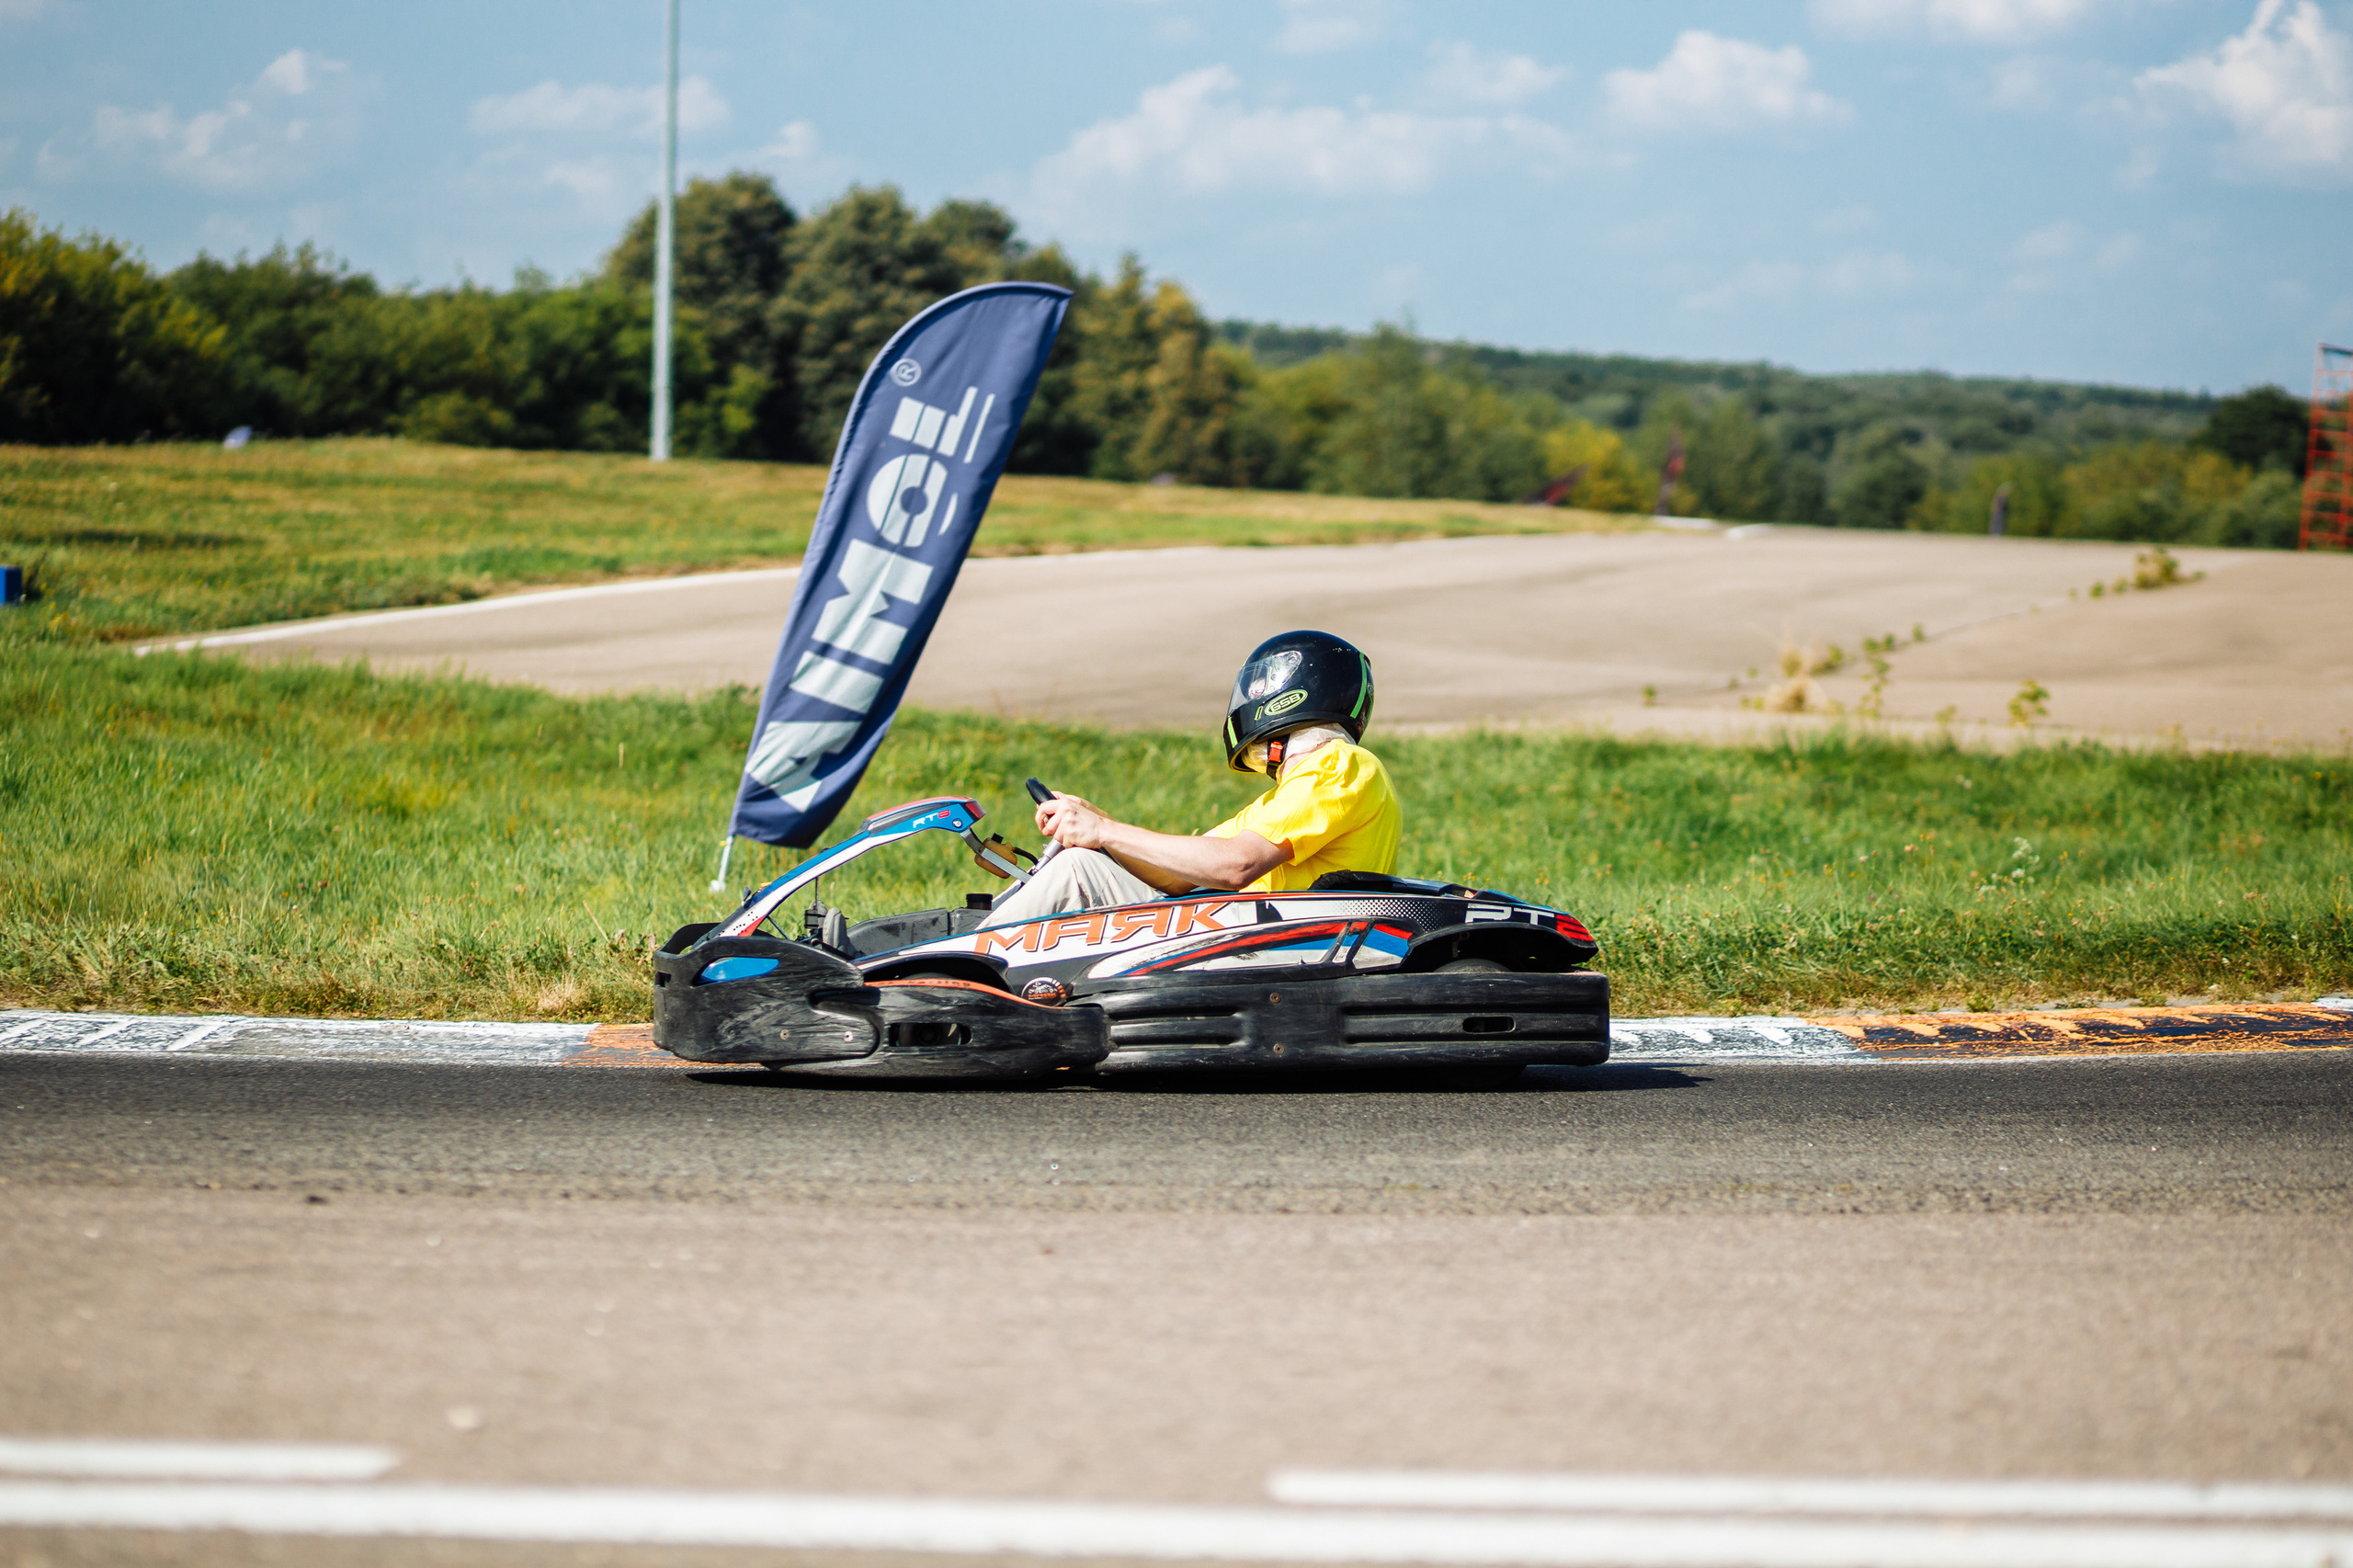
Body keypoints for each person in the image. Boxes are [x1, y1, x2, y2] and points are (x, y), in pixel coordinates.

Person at [980, 631, 1401, 927]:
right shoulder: (1286, 797)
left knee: (1078, 870)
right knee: (1085, 858)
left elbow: (1236, 867)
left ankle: (959, 966)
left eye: (1260, 686)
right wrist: (1094, 824)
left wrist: (1102, 831)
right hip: (1255, 930)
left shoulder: (1339, 765)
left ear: (1299, 691)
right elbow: (1179, 876)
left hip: (1276, 940)